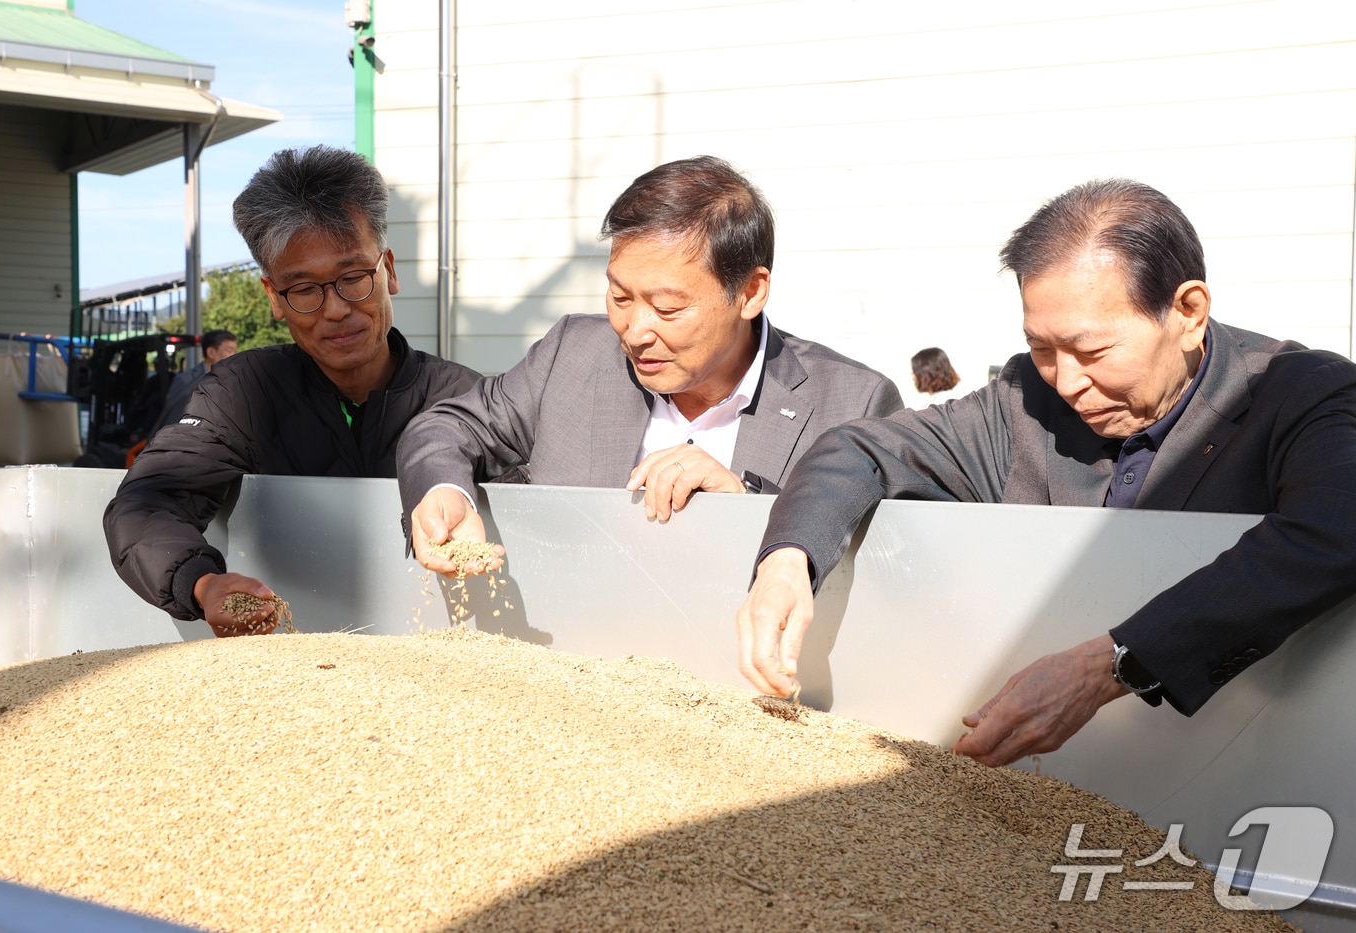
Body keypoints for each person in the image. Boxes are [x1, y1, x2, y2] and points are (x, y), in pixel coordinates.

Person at [736, 177, 1356, 767]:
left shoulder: (1303, 396)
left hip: (1250, 774)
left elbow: (1330, 531)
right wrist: (789, 560)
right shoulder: (1024, 401)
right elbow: (859, 449)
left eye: (1092, 351)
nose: (1066, 381)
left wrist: (1107, 668)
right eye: (1041, 347)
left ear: (1188, 311)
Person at [399, 155, 903, 575]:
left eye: (667, 308)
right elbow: (445, 428)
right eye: (619, 296)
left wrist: (744, 509)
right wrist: (446, 494)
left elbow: (898, 565)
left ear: (750, 293)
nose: (635, 332)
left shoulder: (852, 402)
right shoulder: (572, 354)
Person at [104, 145, 481, 637]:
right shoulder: (243, 393)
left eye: (353, 278)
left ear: (388, 270)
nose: (335, 309)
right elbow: (149, 502)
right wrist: (203, 583)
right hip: (286, 661)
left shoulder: (464, 399)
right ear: (273, 297)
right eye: (304, 289)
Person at [148, 329, 239, 436]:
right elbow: (172, 417)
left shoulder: (233, 381)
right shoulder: (187, 380)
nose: (234, 355)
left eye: (235, 351)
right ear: (211, 352)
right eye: (229, 350)